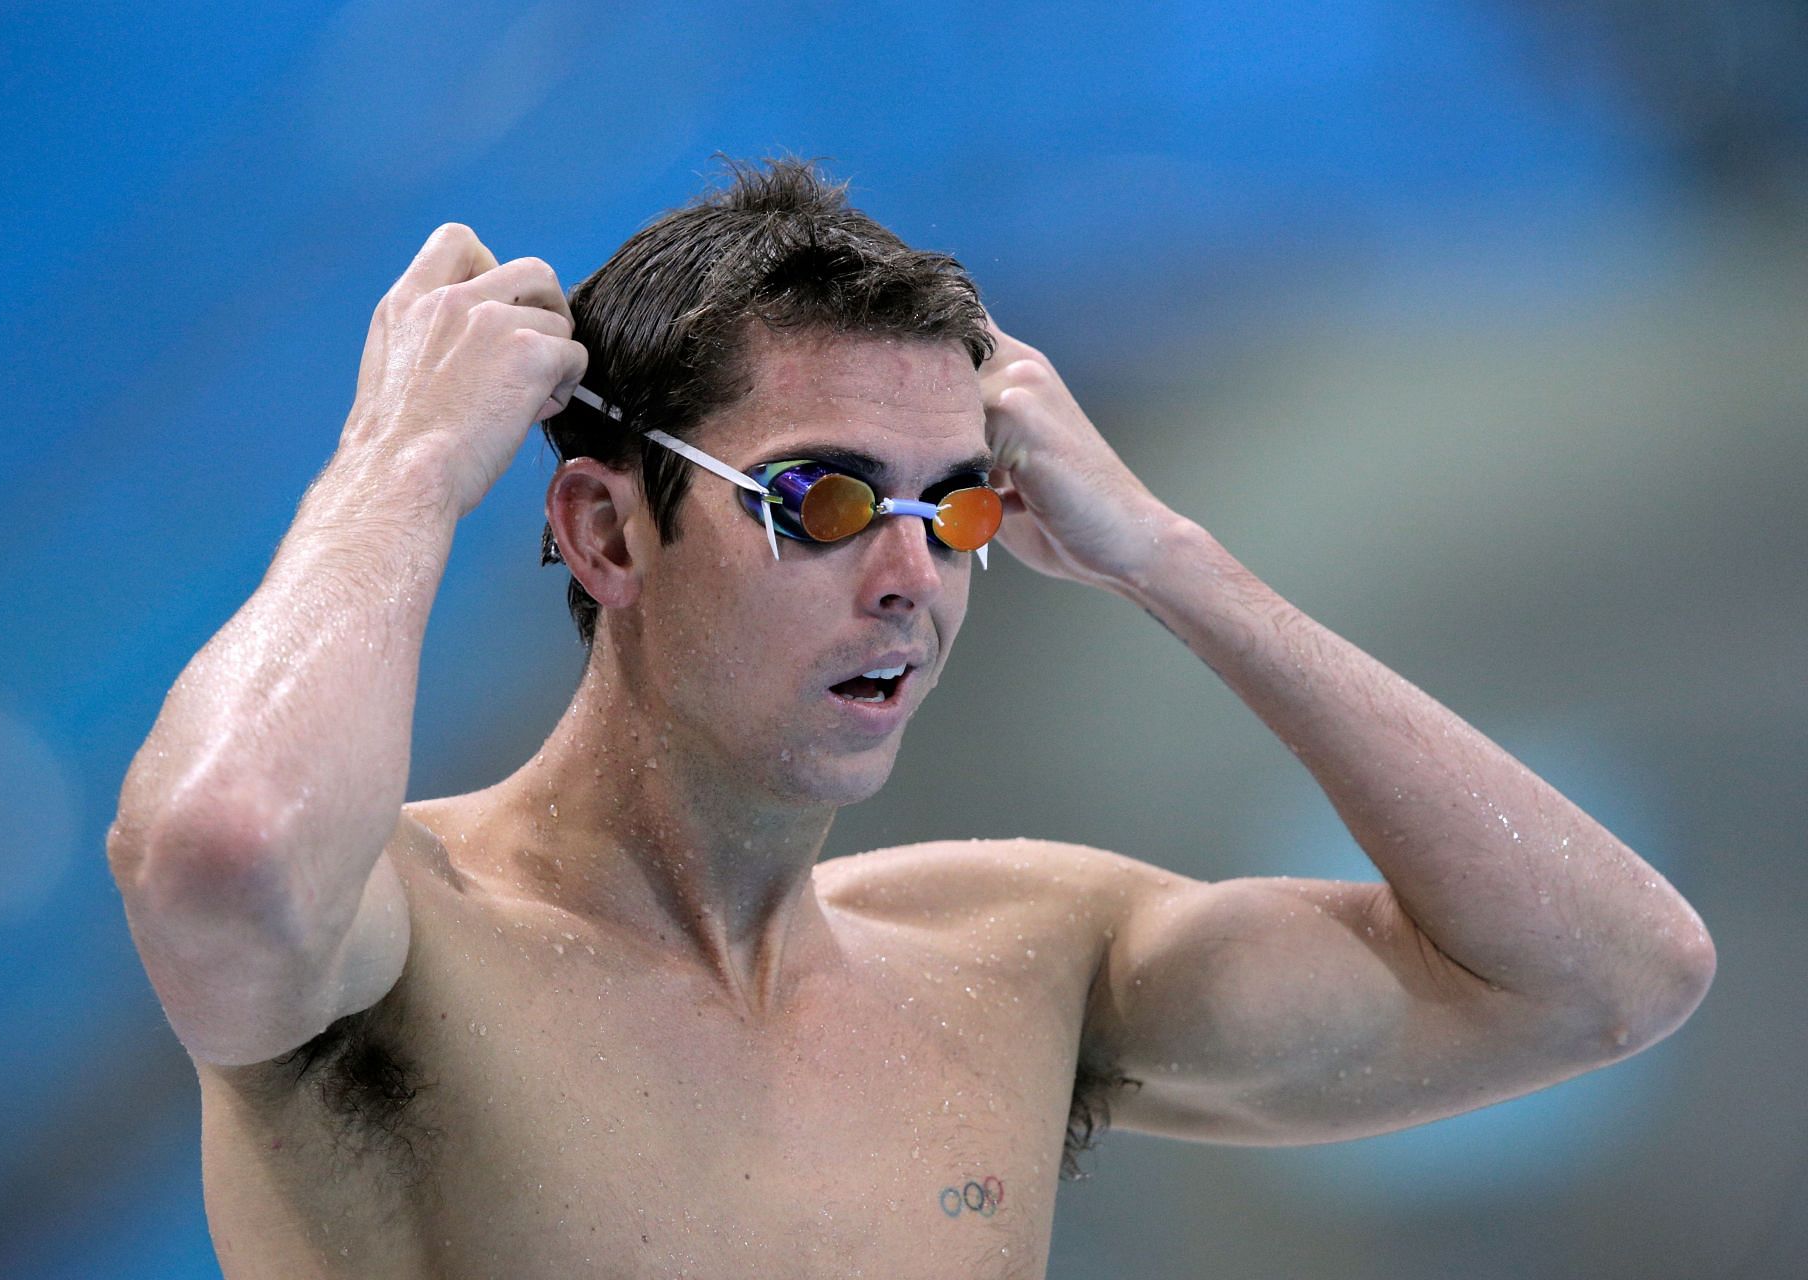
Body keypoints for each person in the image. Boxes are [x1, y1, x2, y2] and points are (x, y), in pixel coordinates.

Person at [107, 159, 1715, 1279]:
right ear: (607, 536)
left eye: (956, 510)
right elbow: (223, 852)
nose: (912, 577)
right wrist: (402, 466)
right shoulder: (400, 950)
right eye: (822, 499)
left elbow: (1611, 977)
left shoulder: (1016, 964)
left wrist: (1173, 562)